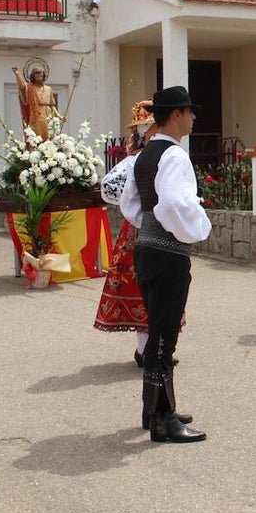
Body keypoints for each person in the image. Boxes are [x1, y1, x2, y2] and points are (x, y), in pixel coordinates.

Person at [119, 86, 211, 443]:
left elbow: (129, 202)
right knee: (164, 334)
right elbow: (174, 203)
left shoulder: (145, 154)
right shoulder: (174, 155)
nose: (193, 117)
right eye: (190, 111)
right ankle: (162, 419)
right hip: (167, 251)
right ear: (176, 115)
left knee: (158, 327)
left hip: (147, 247)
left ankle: (154, 407)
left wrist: (151, 225)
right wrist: (199, 225)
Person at [96, 100, 185, 364]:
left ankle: (156, 349)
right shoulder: (136, 160)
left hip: (161, 229)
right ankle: (147, 350)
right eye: (145, 128)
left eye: (150, 126)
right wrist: (135, 208)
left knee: (164, 289)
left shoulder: (167, 155)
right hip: (141, 231)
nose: (148, 131)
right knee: (141, 288)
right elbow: (110, 188)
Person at [13, 62, 65, 143]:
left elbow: (52, 105)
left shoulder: (48, 89)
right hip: (36, 113)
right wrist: (17, 74)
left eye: (41, 76)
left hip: (48, 114)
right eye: (37, 76)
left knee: (50, 135)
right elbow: (21, 86)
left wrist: (59, 116)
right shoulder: (30, 87)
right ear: (33, 77)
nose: (39, 78)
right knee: (37, 137)